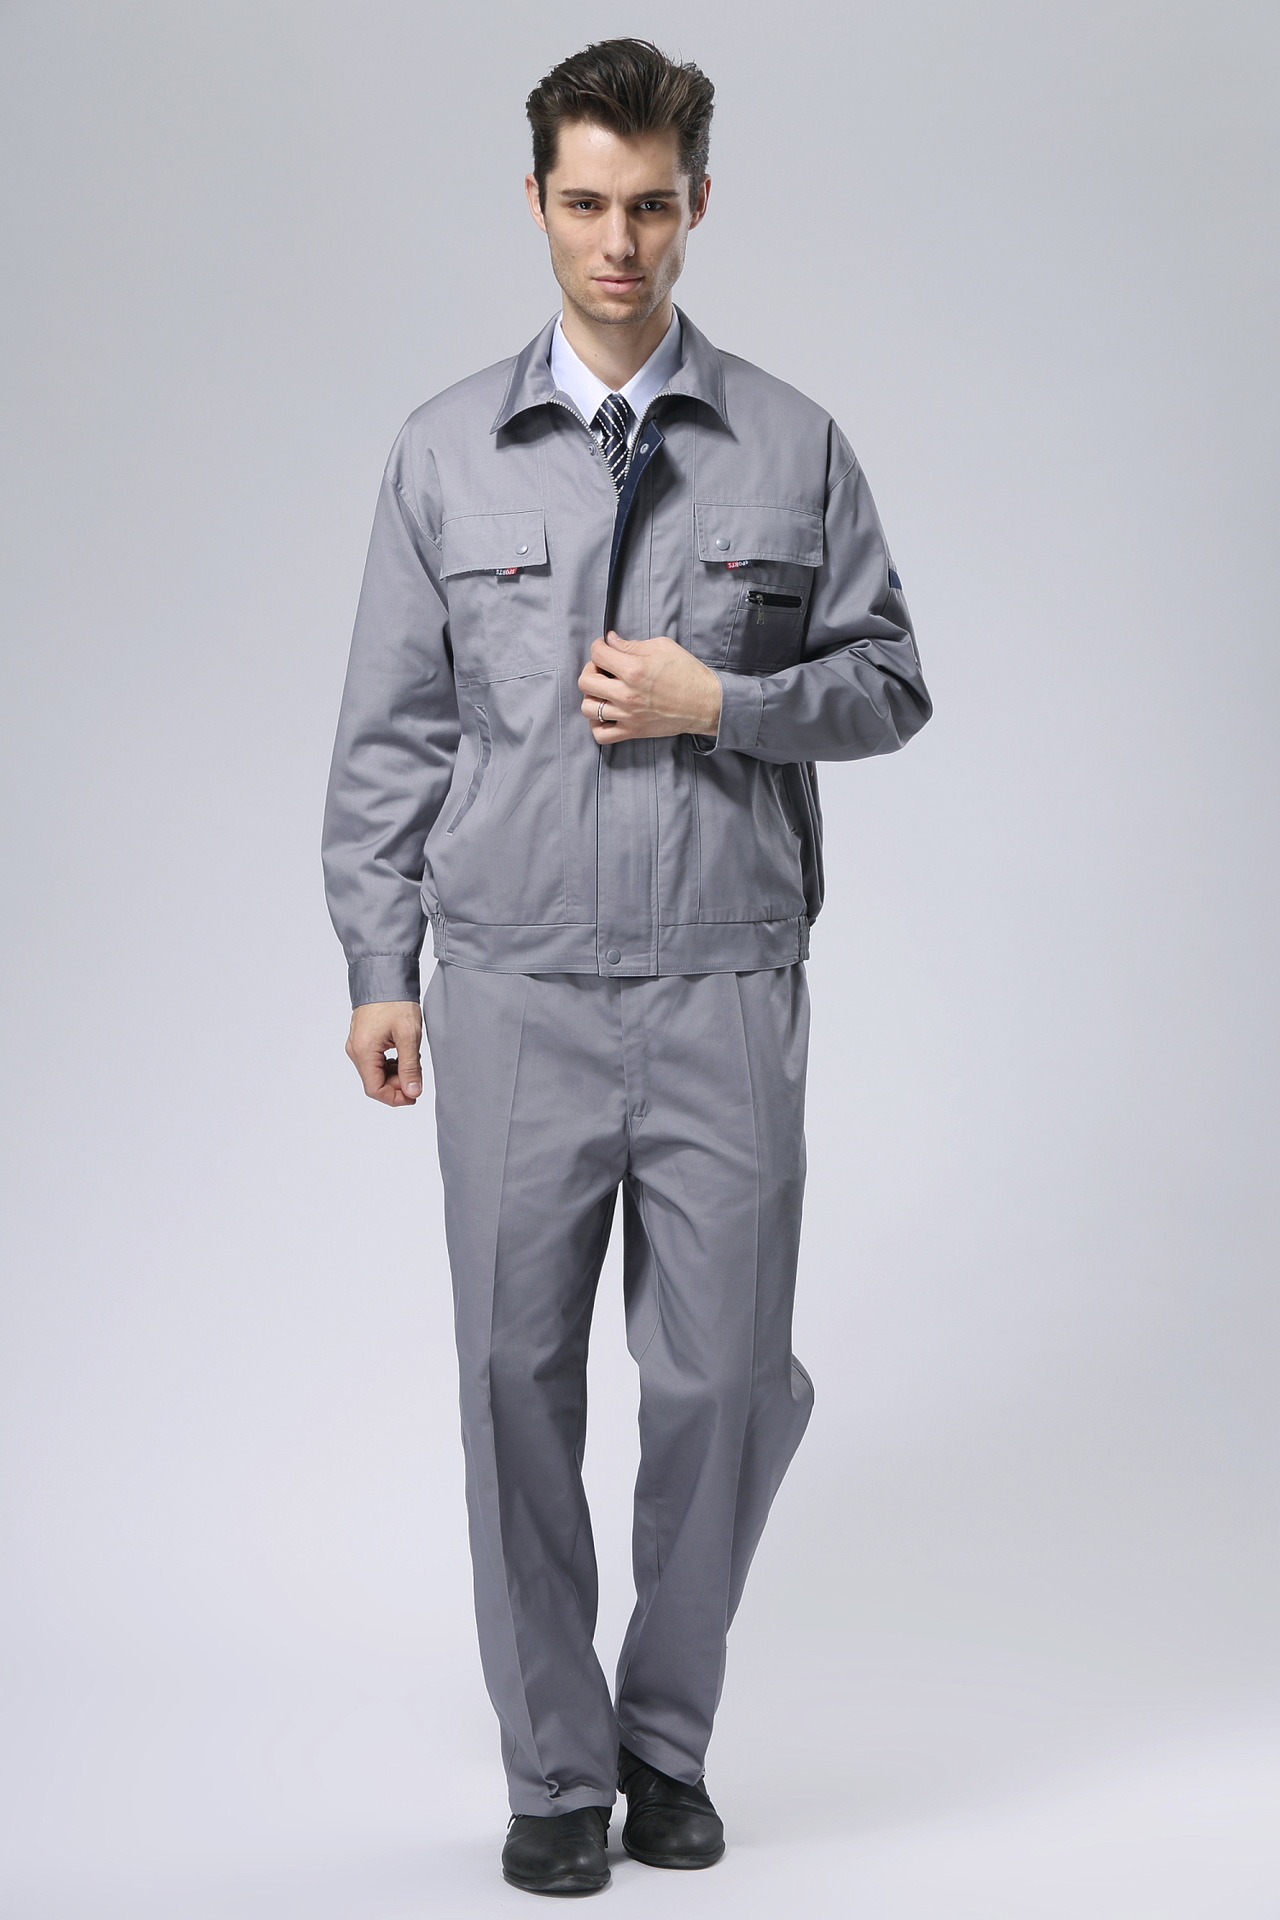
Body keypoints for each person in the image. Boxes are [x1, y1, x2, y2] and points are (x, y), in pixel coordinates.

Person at [322, 37, 931, 1898]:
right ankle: (557, 1770)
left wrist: (718, 698)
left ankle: (665, 1738)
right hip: (512, 988)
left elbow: (889, 682)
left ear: (698, 205)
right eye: (584, 203)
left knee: (727, 1384)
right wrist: (380, 961)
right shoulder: (444, 451)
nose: (618, 243)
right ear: (537, 202)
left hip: (726, 983)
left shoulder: (792, 442)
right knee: (513, 1383)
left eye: (651, 206)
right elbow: (393, 732)